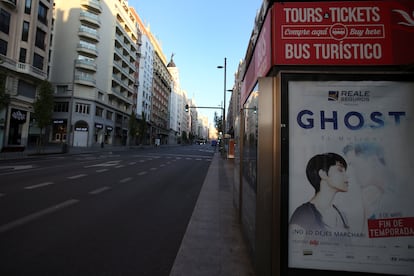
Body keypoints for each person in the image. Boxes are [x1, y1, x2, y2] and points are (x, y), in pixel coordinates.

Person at [289, 152, 350, 233]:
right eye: (340, 170)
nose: (346, 176)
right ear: (323, 174)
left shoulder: (342, 216)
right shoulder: (304, 213)